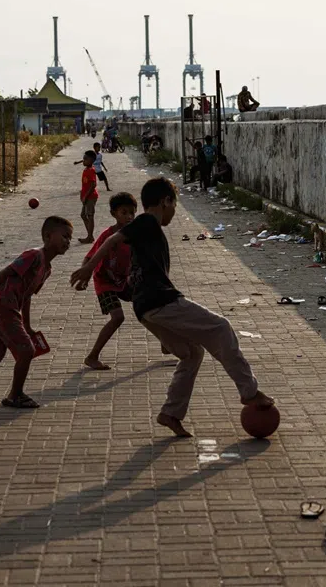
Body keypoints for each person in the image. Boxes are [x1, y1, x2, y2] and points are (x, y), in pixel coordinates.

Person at [70, 178, 274, 437]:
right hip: (160, 301)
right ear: (165, 202)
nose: (174, 212)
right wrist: (89, 268)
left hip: (146, 308)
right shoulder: (146, 221)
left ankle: (171, 413)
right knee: (221, 328)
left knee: (192, 354)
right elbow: (111, 240)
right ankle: (250, 392)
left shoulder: (148, 229)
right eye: (174, 205)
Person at [0, 216, 73, 409]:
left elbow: (27, 296)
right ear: (48, 236)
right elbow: (5, 273)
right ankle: (15, 396)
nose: (68, 241)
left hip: (8, 308)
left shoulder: (47, 268)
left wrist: (27, 325)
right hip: (2, 306)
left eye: (70, 238)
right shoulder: (34, 256)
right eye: (64, 236)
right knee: (26, 350)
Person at [75, 192, 138, 370]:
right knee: (118, 317)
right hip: (104, 282)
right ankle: (92, 356)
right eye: (124, 213)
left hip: (124, 281)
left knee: (149, 304)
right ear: (114, 214)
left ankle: (165, 342)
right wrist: (84, 277)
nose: (129, 217)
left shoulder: (135, 235)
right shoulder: (108, 235)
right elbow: (90, 257)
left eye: (132, 213)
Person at [78, 150, 99, 244]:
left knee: (90, 216)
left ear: (92, 160)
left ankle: (89, 237)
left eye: (86, 159)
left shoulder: (91, 170)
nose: (83, 161)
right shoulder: (86, 170)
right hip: (86, 196)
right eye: (83, 159)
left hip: (91, 196)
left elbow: (93, 184)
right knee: (83, 215)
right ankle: (90, 235)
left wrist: (85, 196)